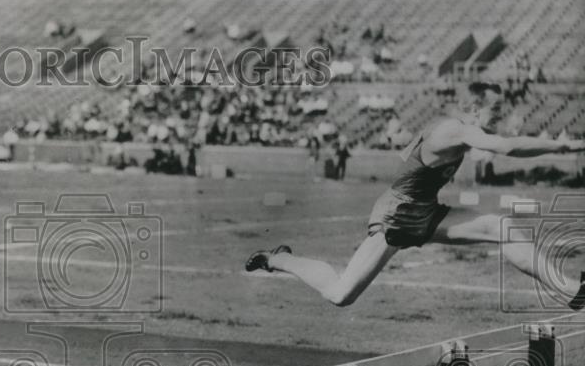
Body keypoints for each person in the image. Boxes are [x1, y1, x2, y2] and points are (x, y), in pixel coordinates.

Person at [245, 82, 585, 310]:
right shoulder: (453, 130)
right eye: (496, 112)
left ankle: (571, 290)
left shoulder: (459, 131)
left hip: (427, 211)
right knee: (340, 294)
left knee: (501, 227)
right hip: (395, 216)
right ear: (475, 109)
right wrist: (568, 144)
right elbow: (507, 147)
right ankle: (278, 260)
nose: (502, 119)